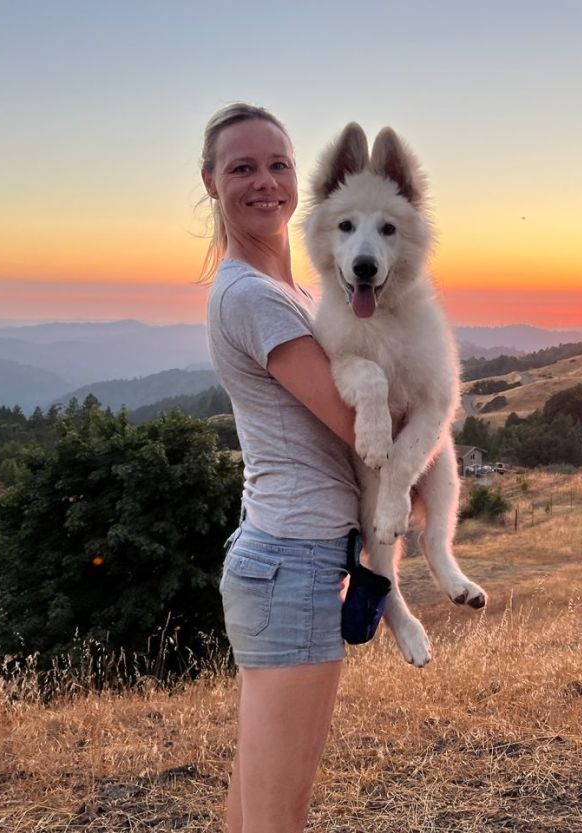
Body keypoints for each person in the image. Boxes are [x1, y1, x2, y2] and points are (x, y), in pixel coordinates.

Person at [201, 103, 363, 833]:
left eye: (278, 165)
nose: (265, 182)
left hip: (283, 555)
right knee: (276, 815)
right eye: (243, 168)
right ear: (211, 182)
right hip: (293, 563)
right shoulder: (253, 295)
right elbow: (359, 424)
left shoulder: (288, 292)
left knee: (254, 803)